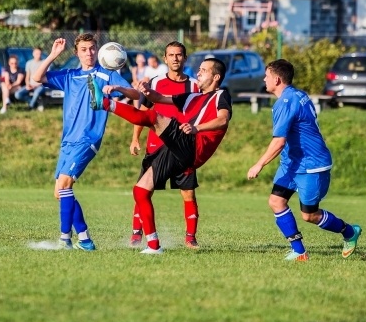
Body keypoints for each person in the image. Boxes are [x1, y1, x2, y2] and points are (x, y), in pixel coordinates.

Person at [92, 56, 232, 255]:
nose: (198, 72)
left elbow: (223, 120)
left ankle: (105, 104)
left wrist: (196, 128)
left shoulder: (222, 95)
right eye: (199, 69)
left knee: (152, 117)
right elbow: (159, 99)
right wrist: (148, 92)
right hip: (177, 148)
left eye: (204, 70)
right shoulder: (191, 96)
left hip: (193, 146)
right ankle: (153, 246)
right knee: (140, 191)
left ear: (216, 76)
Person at [246, 59, 361, 261]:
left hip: (312, 165)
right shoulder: (298, 95)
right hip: (292, 163)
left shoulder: (286, 102)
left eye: (267, 75)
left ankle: (350, 232)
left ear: (277, 78)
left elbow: (279, 141)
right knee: (276, 202)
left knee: (309, 215)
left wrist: (259, 164)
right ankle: (299, 251)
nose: (264, 79)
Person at [32, 35, 139, 251]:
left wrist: (117, 90)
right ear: (77, 53)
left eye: (91, 48)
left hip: (88, 138)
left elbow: (136, 93)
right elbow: (36, 77)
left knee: (64, 186)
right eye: (83, 49)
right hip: (68, 141)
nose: (88, 53)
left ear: (98, 50)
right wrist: (53, 55)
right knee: (59, 193)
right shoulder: (70, 75)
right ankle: (85, 239)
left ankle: (65, 240)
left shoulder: (107, 73)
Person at [129, 41, 201, 249]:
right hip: (156, 146)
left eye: (179, 55)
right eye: (171, 55)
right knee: (144, 190)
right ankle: (136, 234)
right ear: (165, 58)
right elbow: (144, 112)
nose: (175, 58)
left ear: (184, 58)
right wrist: (135, 138)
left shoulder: (195, 86)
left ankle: (190, 238)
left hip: (182, 149)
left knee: (188, 193)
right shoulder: (156, 82)